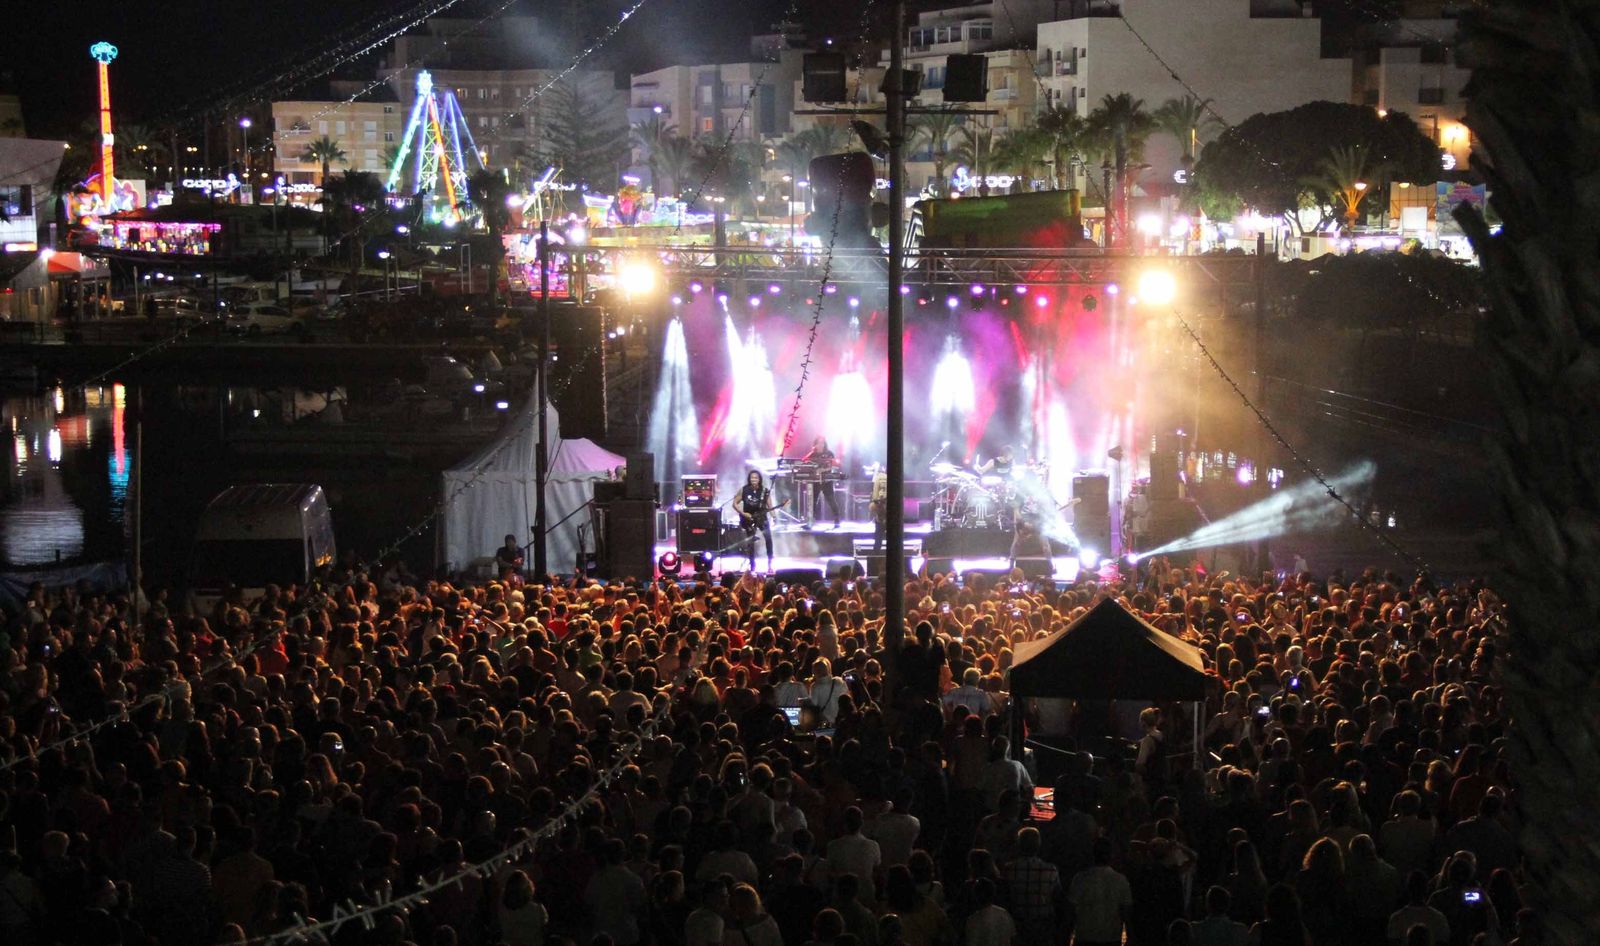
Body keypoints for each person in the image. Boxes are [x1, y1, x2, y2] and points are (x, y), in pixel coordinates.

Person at [1067, 837, 1132, 946]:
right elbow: (1126, 912)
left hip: (1085, 937)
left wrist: (1066, 935)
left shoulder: (1080, 879)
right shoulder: (1121, 880)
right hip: (1111, 937)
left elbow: (1071, 912)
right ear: (1111, 856)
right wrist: (1130, 936)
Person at [734, 470, 785, 573]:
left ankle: (770, 564)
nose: (754, 479)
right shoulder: (744, 489)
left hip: (762, 518)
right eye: (752, 477)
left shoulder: (764, 491)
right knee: (751, 542)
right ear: (749, 479)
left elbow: (770, 506)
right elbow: (734, 504)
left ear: (759, 479)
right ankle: (752, 565)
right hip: (749, 519)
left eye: (756, 478)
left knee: (768, 540)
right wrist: (743, 513)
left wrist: (774, 517)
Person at [802, 437, 842, 528]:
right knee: (812, 501)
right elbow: (804, 462)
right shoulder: (812, 454)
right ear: (815, 445)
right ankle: (811, 521)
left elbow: (833, 465)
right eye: (819, 443)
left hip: (826, 481)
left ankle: (837, 520)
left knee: (831, 500)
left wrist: (822, 470)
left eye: (822, 443)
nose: (821, 445)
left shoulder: (829, 453)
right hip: (815, 481)